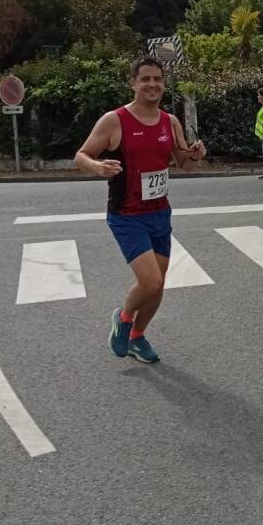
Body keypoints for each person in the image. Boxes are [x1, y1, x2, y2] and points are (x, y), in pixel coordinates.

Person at [74, 55, 205, 363]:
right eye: (145, 79)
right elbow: (81, 156)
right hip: (127, 215)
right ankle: (122, 317)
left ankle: (136, 337)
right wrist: (97, 166)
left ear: (163, 84)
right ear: (133, 83)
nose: (152, 84)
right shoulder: (115, 120)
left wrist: (196, 155)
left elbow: (184, 164)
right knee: (150, 282)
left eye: (157, 79)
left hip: (159, 213)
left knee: (157, 289)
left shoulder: (170, 122)